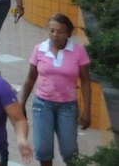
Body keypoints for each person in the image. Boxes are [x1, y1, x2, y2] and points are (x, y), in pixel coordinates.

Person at [19, 13, 92, 166]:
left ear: (68, 33)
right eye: (51, 30)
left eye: (60, 31)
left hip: (68, 107)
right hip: (42, 105)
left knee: (69, 151)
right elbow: (30, 78)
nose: (55, 35)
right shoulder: (39, 49)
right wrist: (22, 103)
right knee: (43, 149)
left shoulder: (78, 51)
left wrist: (87, 111)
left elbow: (85, 81)